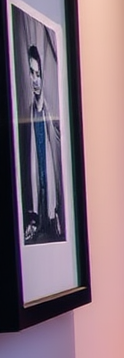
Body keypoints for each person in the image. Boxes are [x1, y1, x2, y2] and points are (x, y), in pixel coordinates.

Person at [20, 43, 64, 243]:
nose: (35, 79)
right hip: (39, 201)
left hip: (51, 205)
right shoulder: (29, 114)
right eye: (31, 73)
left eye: (38, 74)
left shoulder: (49, 113)